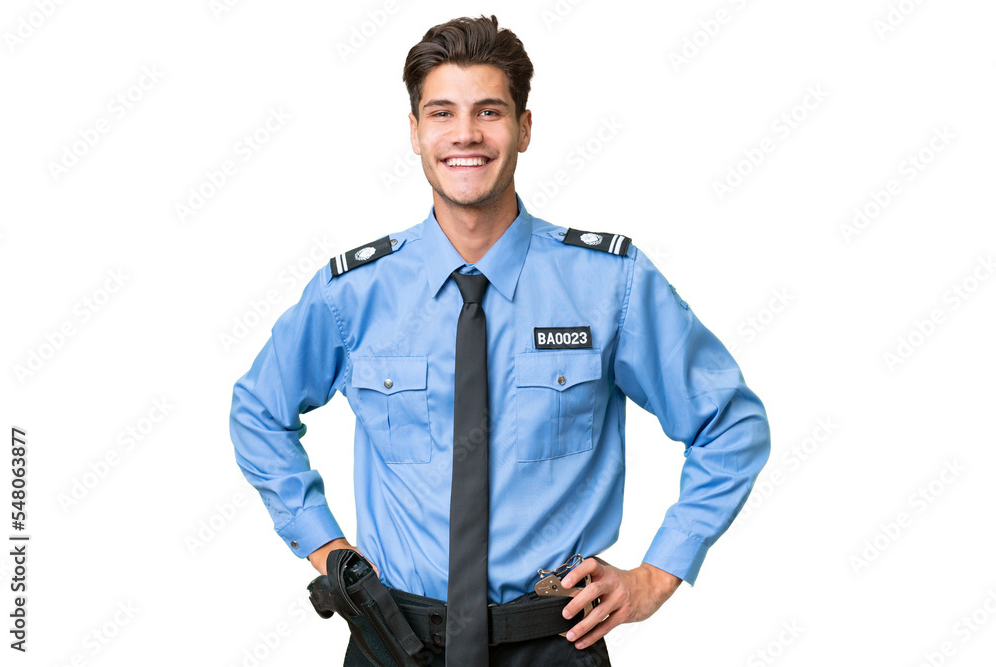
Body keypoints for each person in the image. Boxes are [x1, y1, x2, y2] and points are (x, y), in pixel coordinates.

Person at [229, 14, 770, 667]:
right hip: (394, 642)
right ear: (414, 132)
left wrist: (657, 574)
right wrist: (327, 548)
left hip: (553, 644)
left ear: (525, 128)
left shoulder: (609, 285)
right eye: (442, 113)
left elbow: (730, 423)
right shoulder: (353, 293)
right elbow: (259, 411)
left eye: (489, 111)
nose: (465, 134)